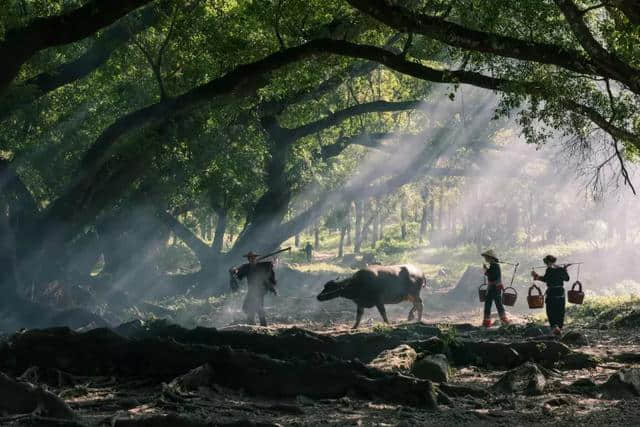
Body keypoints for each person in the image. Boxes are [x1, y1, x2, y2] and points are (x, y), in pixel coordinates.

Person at [229, 251, 277, 326]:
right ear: (248, 259)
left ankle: (262, 325)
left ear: (255, 258)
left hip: (260, 289)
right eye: (250, 258)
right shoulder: (246, 267)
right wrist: (234, 271)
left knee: (257, 306)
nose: (251, 259)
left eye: (253, 258)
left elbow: (269, 270)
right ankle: (251, 323)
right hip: (251, 289)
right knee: (250, 306)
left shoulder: (261, 266)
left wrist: (270, 286)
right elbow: (239, 274)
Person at [531, 255, 569, 336]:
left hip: (552, 292)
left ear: (548, 262)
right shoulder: (560, 269)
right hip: (560, 292)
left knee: (551, 311)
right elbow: (567, 278)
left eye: (546, 263)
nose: (546, 264)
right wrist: (564, 269)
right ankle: (559, 327)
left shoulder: (549, 270)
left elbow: (546, 279)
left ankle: (554, 327)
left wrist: (536, 276)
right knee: (560, 311)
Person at [481, 249, 510, 327]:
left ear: (490, 257)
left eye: (486, 257)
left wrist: (485, 270)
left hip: (494, 288)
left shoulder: (494, 265)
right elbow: (492, 275)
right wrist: (487, 270)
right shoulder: (494, 265)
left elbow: (492, 276)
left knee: (490, 304)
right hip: (495, 287)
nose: (485, 259)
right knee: (497, 303)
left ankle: (487, 322)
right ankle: (503, 320)